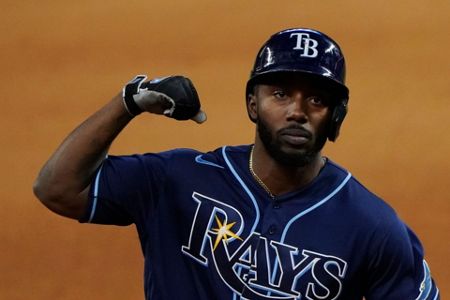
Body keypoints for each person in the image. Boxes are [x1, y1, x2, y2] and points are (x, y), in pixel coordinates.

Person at [33, 28, 440, 300]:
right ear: (252, 103)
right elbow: (57, 188)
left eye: (316, 100)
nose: (297, 111)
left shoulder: (372, 226)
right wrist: (127, 103)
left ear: (335, 116)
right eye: (280, 93)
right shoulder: (177, 179)